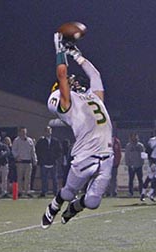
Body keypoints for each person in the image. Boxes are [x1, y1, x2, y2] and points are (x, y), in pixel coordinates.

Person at [41, 32, 113, 229]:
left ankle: (74, 208)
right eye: (69, 83)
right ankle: (54, 206)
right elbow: (62, 75)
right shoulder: (67, 104)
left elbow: (95, 75)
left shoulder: (93, 97)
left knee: (92, 202)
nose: (74, 82)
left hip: (106, 154)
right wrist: (59, 50)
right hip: (85, 155)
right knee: (68, 192)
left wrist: (77, 54)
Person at [35, 126, 62, 197]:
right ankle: (44, 192)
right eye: (46, 131)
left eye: (49, 131)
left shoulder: (55, 141)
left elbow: (59, 151)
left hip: (53, 163)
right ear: (44, 132)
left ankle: (55, 192)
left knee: (54, 178)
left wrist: (55, 158)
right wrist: (41, 160)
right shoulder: (41, 141)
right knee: (44, 178)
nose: (48, 132)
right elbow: (37, 151)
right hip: (44, 163)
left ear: (51, 132)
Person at [12, 126, 37, 198]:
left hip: (28, 162)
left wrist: (34, 159)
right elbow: (13, 150)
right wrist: (16, 156)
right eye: (22, 132)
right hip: (20, 162)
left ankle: (27, 191)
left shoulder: (30, 140)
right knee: (19, 177)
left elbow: (33, 151)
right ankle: (19, 191)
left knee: (27, 178)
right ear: (19, 132)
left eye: (25, 132)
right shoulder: (16, 140)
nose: (23, 133)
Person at [125, 133, 145, 197]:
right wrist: (129, 164)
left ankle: (141, 192)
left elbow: (143, 155)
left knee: (140, 180)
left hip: (139, 165)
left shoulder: (140, 146)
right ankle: (130, 192)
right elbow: (127, 156)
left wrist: (141, 163)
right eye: (133, 137)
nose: (134, 138)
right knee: (131, 180)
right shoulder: (128, 146)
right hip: (131, 166)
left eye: (135, 137)